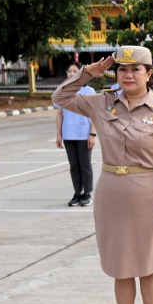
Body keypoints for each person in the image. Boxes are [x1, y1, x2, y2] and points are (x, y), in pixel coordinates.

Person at [52, 46, 153, 304]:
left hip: (147, 196)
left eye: (136, 69)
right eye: (122, 69)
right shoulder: (102, 102)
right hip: (111, 193)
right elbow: (58, 98)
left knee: (148, 268)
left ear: (149, 74)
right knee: (120, 267)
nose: (128, 75)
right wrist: (88, 73)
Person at [55, 62, 97, 207]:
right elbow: (60, 114)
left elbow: (94, 114)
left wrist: (92, 134)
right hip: (68, 135)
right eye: (69, 71)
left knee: (85, 165)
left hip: (84, 134)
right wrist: (59, 135)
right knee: (74, 166)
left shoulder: (89, 91)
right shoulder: (62, 91)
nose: (71, 74)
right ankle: (77, 193)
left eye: (75, 71)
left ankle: (87, 193)